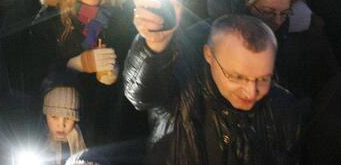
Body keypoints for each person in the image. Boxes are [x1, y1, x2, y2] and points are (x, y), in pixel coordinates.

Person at [125, 11, 302, 164]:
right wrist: (153, 47)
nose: (251, 91)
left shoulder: (284, 108)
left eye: (263, 78)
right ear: (209, 54)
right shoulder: (179, 89)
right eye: (237, 77)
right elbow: (142, 94)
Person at [32, 0, 143, 143]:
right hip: (64, 117)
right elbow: (35, 66)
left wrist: (118, 72)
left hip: (106, 119)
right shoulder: (51, 17)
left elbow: (136, 61)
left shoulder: (121, 18)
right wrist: (74, 64)